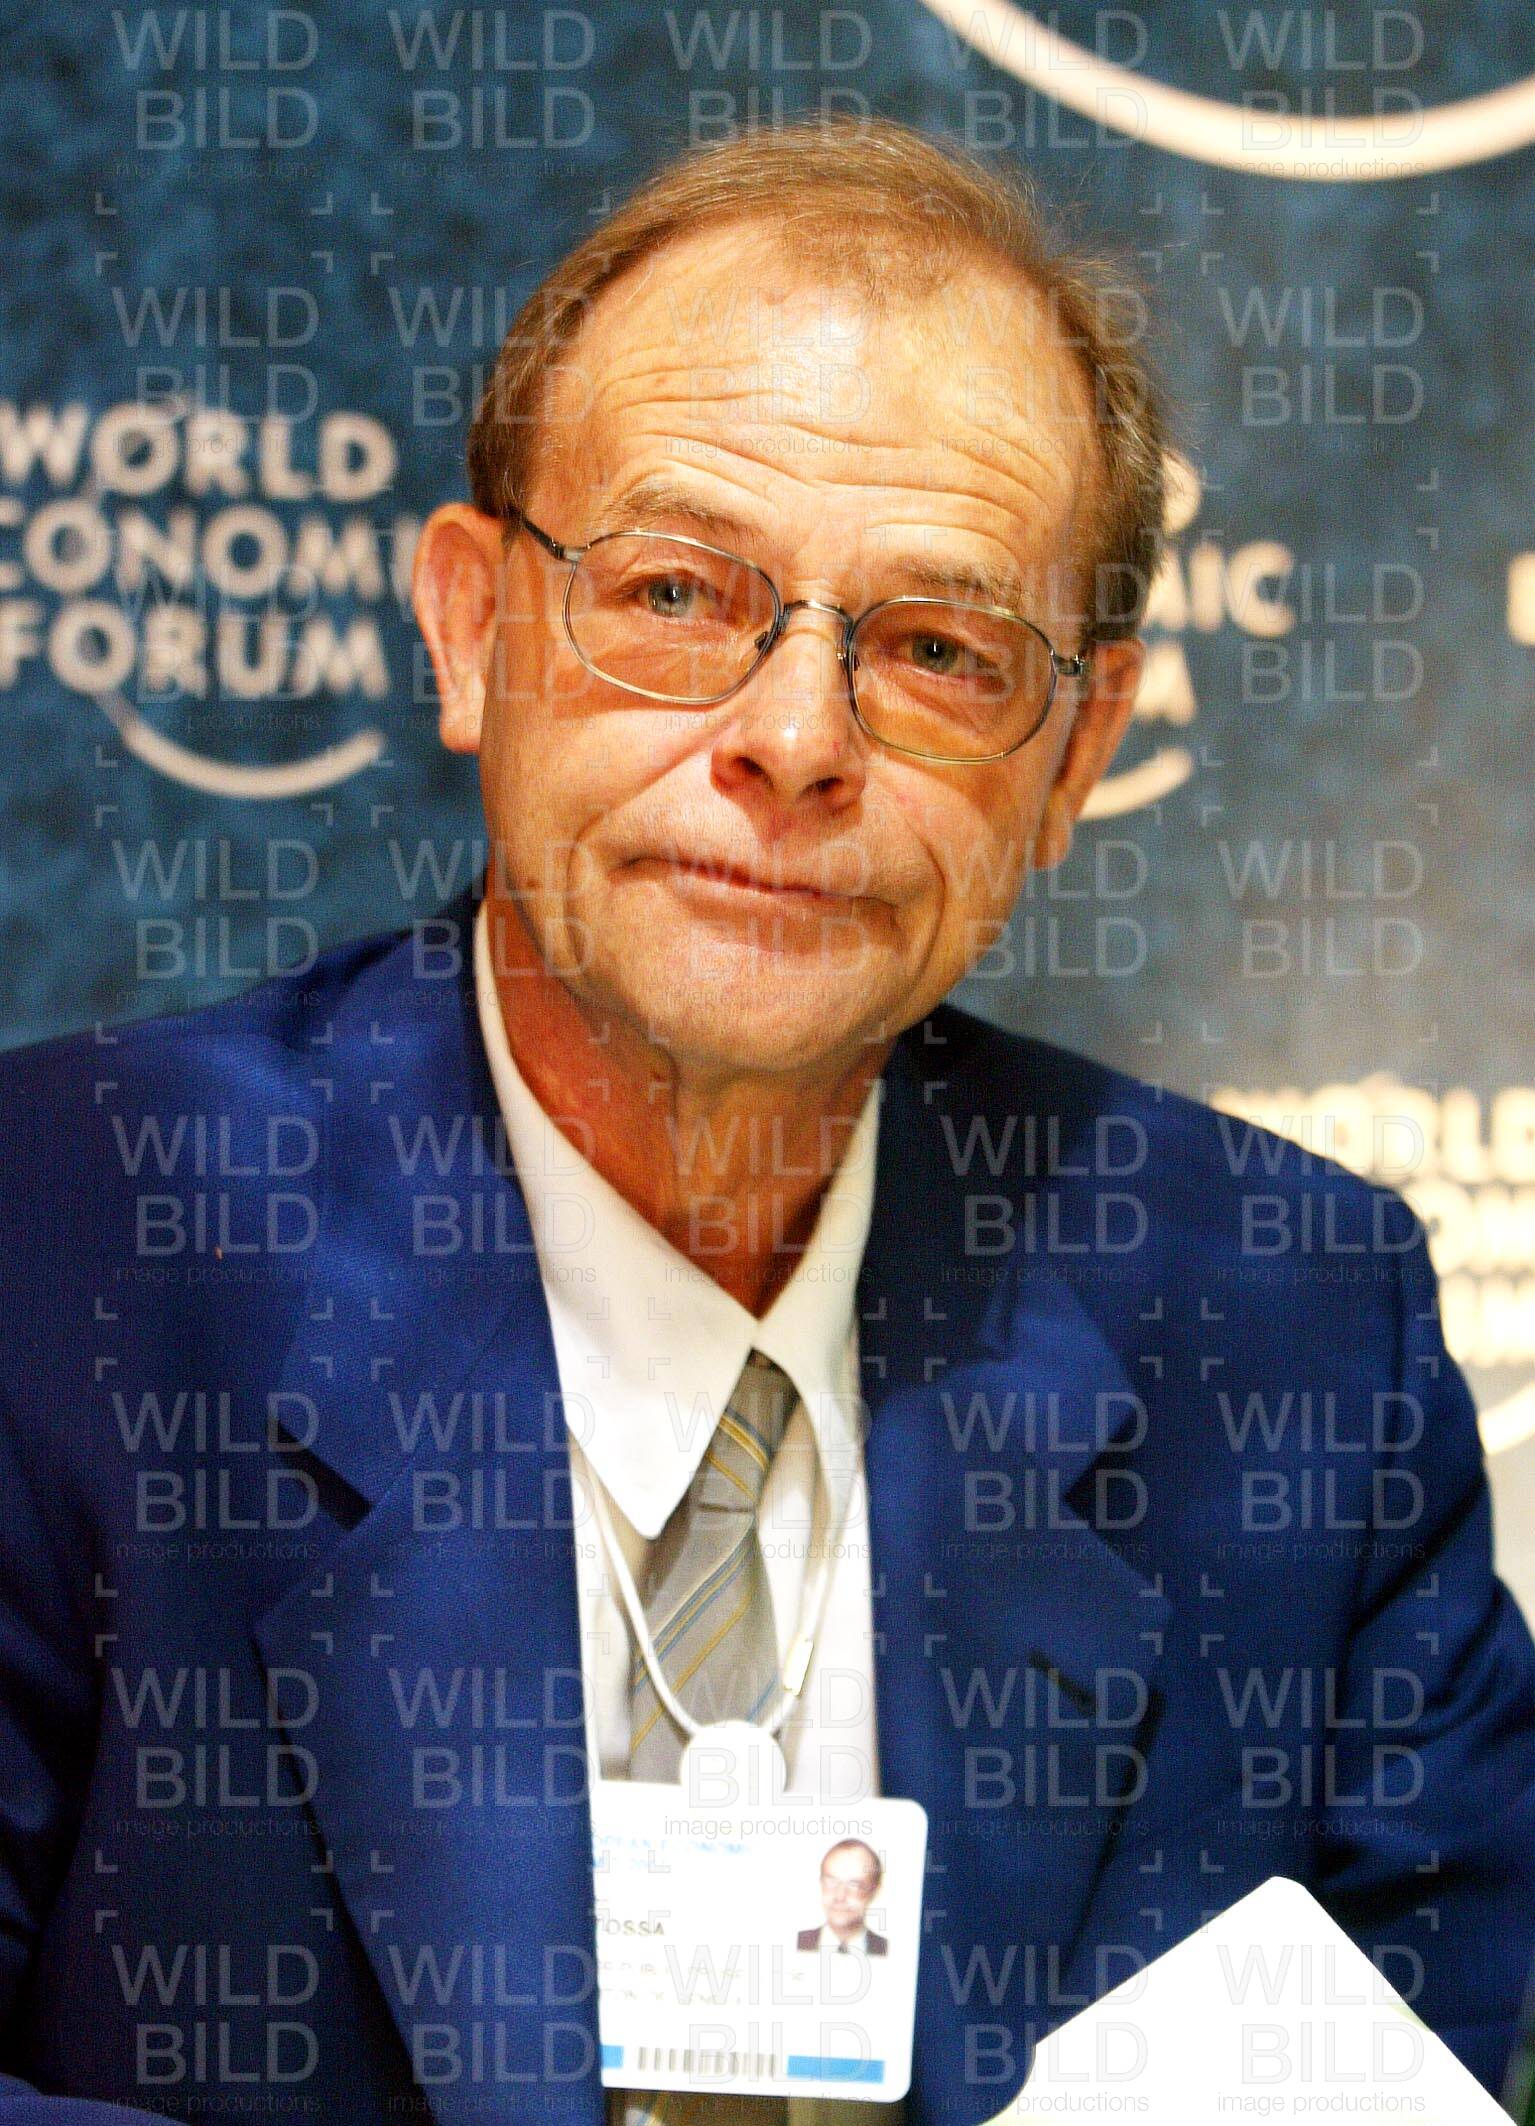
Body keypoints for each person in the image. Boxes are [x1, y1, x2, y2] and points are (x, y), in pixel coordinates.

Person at [0, 114, 1533, 2126]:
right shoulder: (64, 1251)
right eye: (673, 591)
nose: (796, 739)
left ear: (1075, 750)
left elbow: (1398, 2044)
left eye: (936, 648)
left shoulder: (1289, 1332)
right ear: (471, 629)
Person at [797, 1841, 889, 1957]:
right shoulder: (794, 1943)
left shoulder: (892, 1952)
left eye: (854, 1885)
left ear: (874, 1891)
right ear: (821, 1882)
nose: (840, 1896)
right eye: (832, 1882)